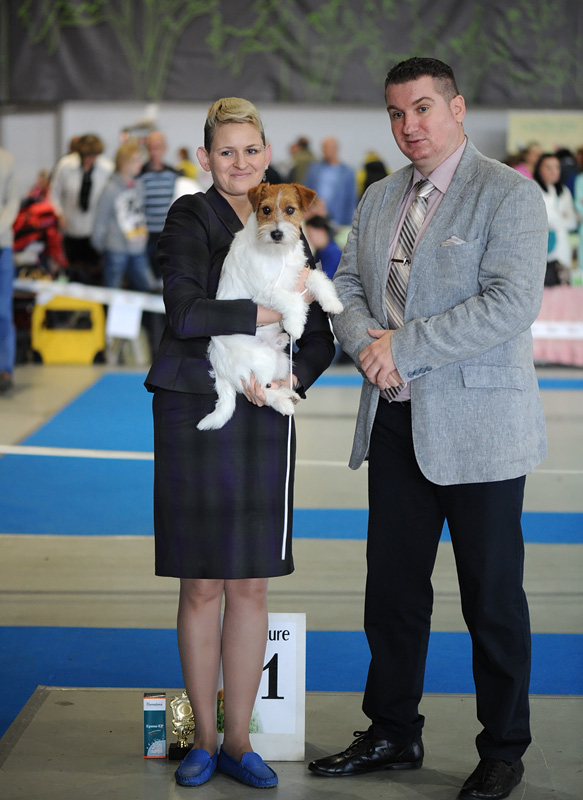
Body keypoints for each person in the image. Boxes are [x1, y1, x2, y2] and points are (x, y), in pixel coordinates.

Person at [308, 57, 548, 800]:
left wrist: (400, 347)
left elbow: (510, 302)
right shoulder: (379, 197)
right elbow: (344, 286)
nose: (408, 126)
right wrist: (364, 345)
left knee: (492, 600)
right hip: (393, 424)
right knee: (393, 595)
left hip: (480, 430)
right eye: (394, 113)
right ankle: (391, 729)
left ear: (456, 108)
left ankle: (503, 748)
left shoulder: (509, 194)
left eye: (421, 109)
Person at [144, 97, 334, 789]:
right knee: (202, 584)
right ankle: (198, 735)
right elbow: (187, 311)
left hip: (265, 409)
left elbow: (316, 333)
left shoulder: (288, 219)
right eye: (226, 151)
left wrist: (289, 375)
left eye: (250, 150)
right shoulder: (188, 216)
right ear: (205, 158)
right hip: (198, 399)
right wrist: (269, 312)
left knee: (249, 583)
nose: (240, 161)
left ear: (265, 155)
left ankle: (238, 741)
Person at [49, 133, 113, 284]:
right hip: (70, 227)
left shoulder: (107, 168)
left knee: (93, 272)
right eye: (85, 156)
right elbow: (54, 192)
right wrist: (59, 214)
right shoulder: (65, 165)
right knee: (72, 270)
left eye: (93, 156)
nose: (88, 160)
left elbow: (109, 200)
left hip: (94, 230)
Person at [91, 140, 155, 292]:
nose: (140, 164)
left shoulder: (139, 186)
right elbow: (100, 221)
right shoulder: (110, 189)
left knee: (148, 288)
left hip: (138, 248)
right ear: (124, 163)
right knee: (113, 291)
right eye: (135, 160)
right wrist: (102, 246)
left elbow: (141, 214)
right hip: (115, 249)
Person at [139, 131, 179, 280]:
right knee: (147, 276)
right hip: (145, 235)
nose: (154, 151)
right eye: (150, 147)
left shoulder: (173, 174)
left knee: (166, 275)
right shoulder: (140, 174)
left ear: (165, 148)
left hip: (166, 234)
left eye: (157, 147)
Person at [533, 152, 577, 283]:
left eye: (557, 167)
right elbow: (540, 219)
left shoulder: (564, 191)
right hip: (541, 253)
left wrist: (553, 218)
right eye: (548, 167)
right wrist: (560, 217)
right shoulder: (532, 188)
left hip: (562, 252)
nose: (554, 171)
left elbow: (572, 222)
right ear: (539, 169)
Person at [304, 137, 357, 226]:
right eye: (323, 148)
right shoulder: (314, 169)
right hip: (315, 217)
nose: (325, 151)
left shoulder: (347, 172)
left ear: (336, 149)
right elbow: (306, 192)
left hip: (337, 218)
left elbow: (351, 199)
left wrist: (348, 223)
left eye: (328, 148)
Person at [0, 147, 19, 394]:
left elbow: (12, 202)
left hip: (2, 245)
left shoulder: (6, 160)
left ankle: (5, 369)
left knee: (3, 312)